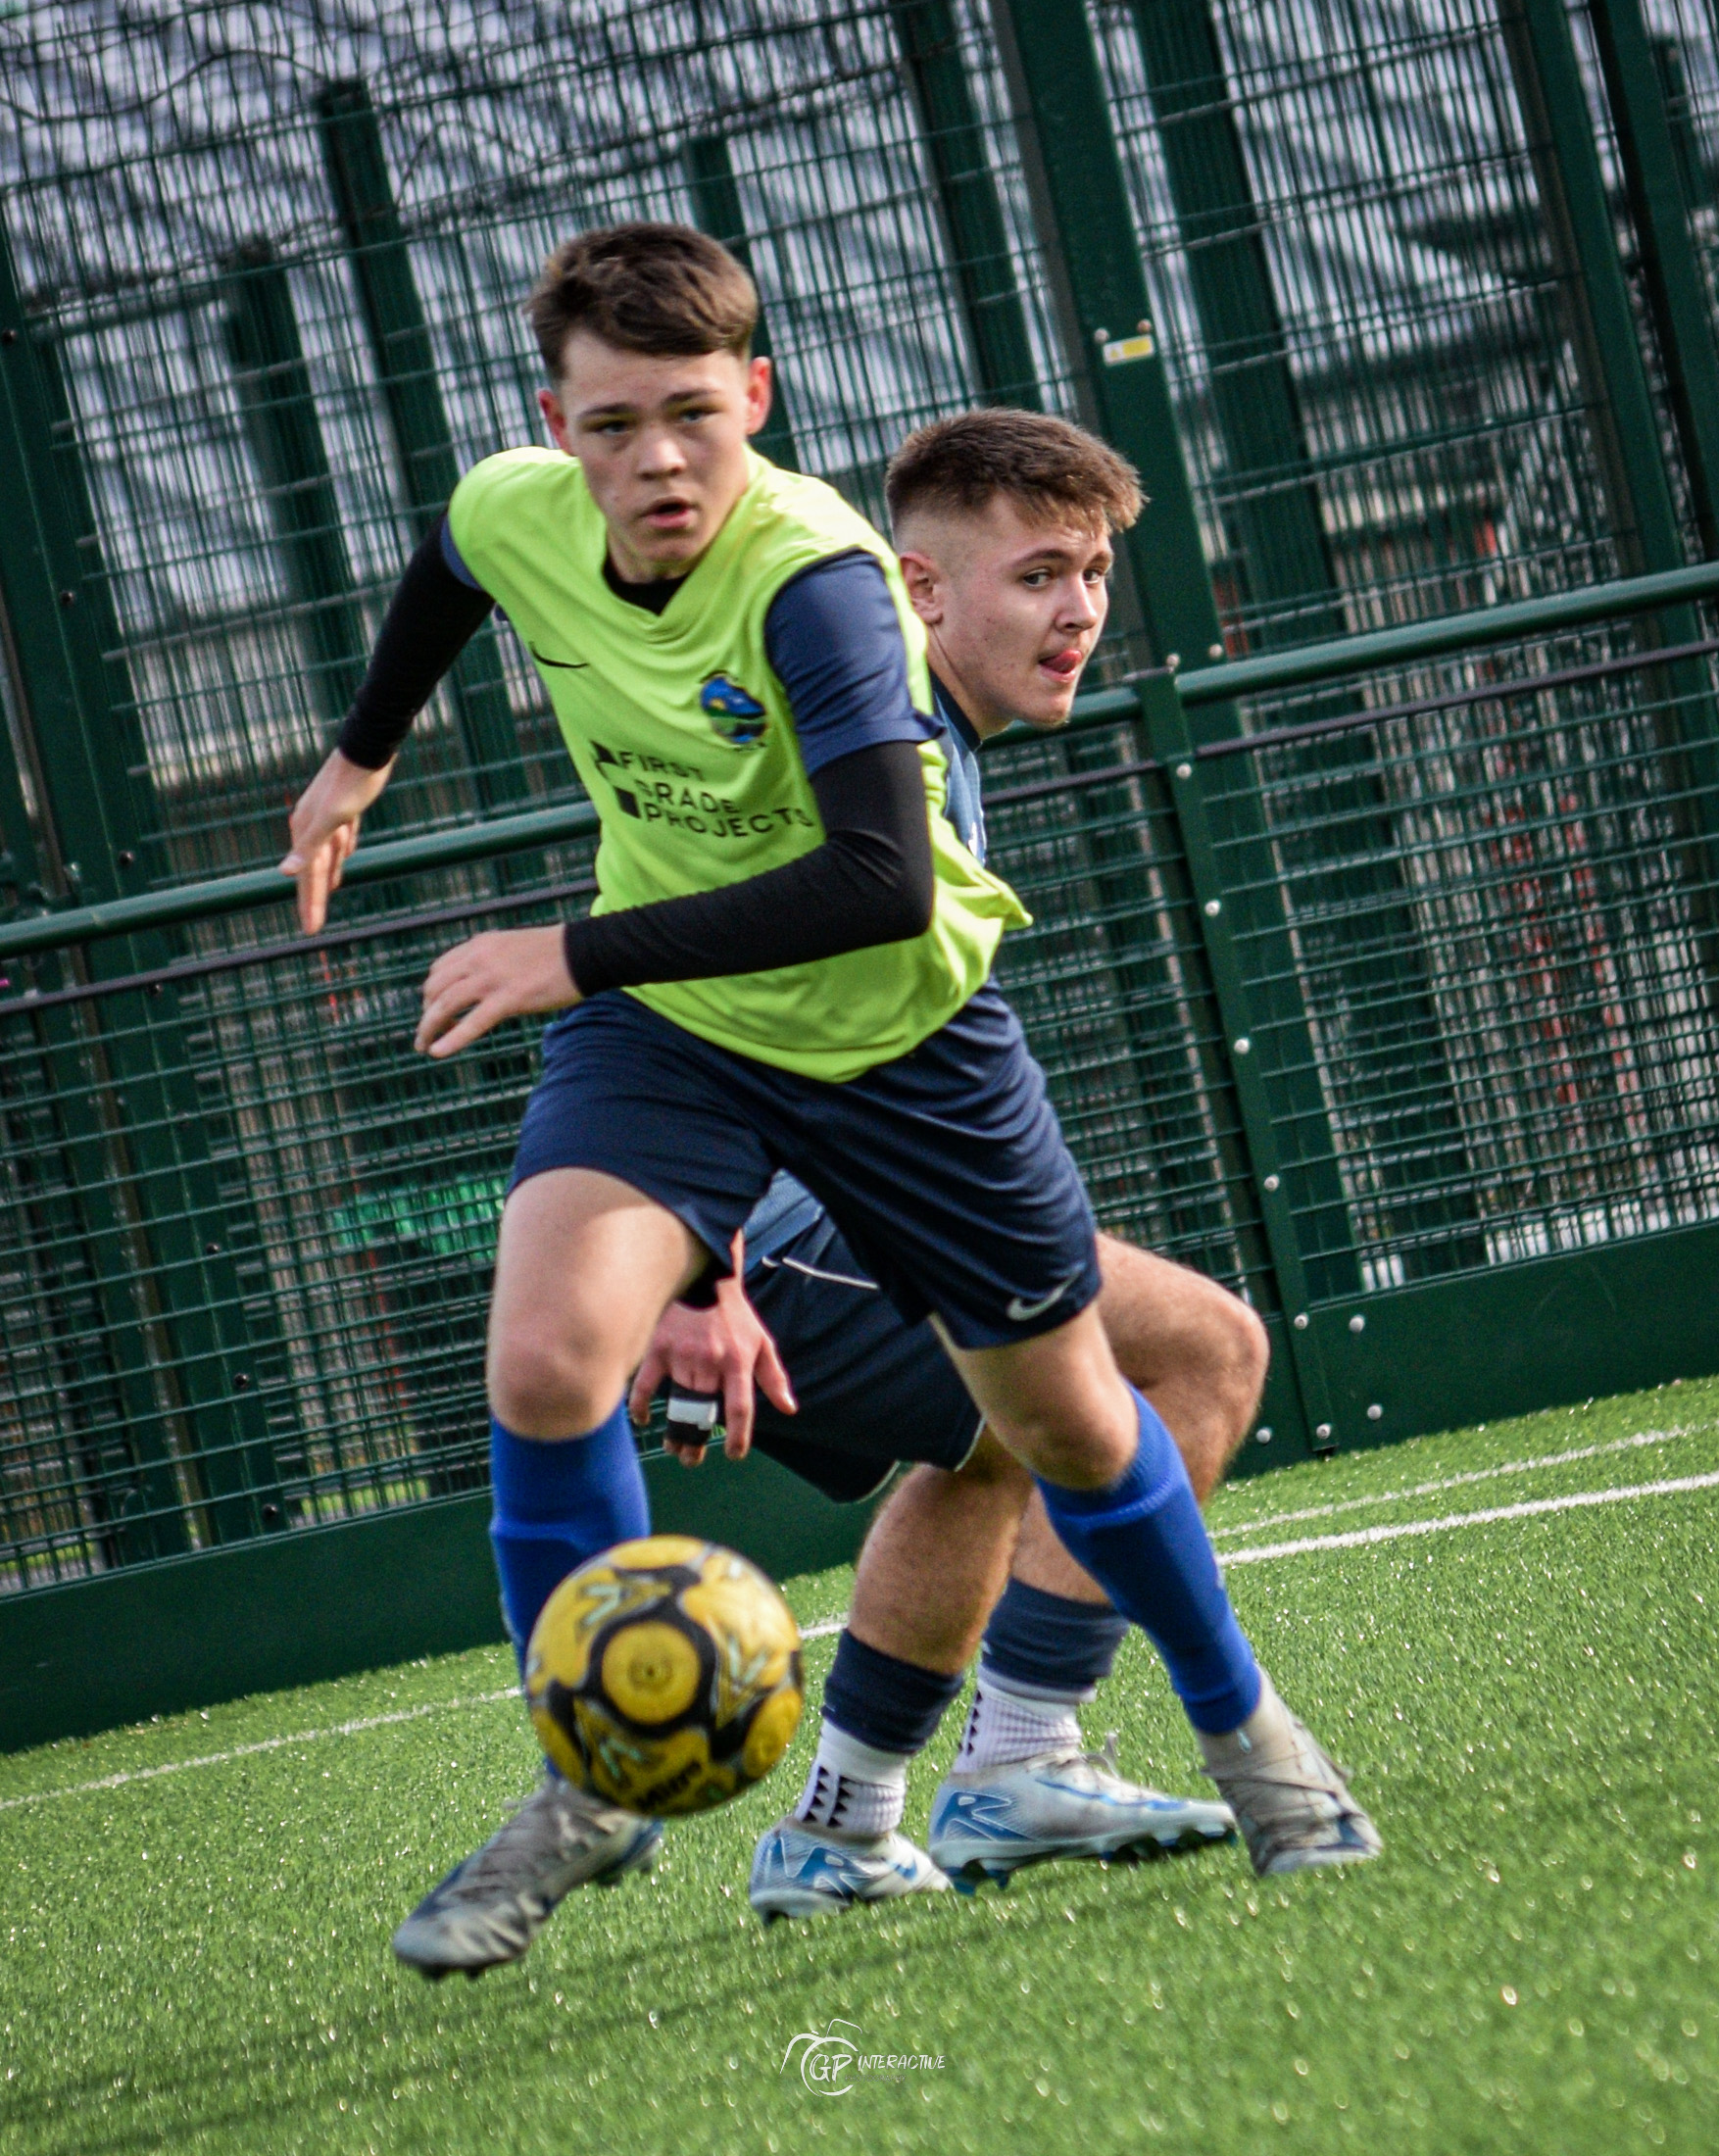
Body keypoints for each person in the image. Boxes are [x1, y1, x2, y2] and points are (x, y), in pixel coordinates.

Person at [278, 224, 1375, 1984]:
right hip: (679, 1030)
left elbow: (874, 881)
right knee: (548, 1358)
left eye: (695, 418)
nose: (656, 460)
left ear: (757, 402)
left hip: (898, 1039)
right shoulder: (515, 507)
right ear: (553, 421)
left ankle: (1255, 1747)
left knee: (1080, 1430)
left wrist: (571, 946)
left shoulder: (820, 582)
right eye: (615, 422)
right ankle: (592, 1781)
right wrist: (363, 752)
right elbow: (445, 567)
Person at [628, 412, 1377, 1920]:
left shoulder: (901, 723)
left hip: (796, 1218)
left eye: (1095, 571)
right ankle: (1014, 1766)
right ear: (917, 589)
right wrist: (693, 1270)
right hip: (780, 1222)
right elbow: (678, 983)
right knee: (1208, 1352)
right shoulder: (876, 734)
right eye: (1039, 574)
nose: (1082, 610)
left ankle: (850, 1827)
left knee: (990, 1439)